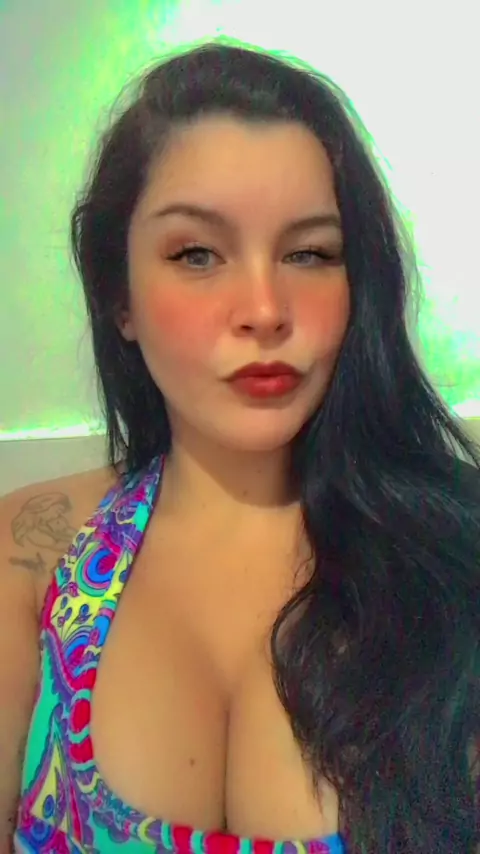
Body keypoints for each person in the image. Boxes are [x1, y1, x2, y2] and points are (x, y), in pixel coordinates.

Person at [1, 36, 479, 854]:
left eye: (309, 253)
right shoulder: (33, 552)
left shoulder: (453, 559)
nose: (264, 308)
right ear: (119, 295)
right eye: (197, 253)